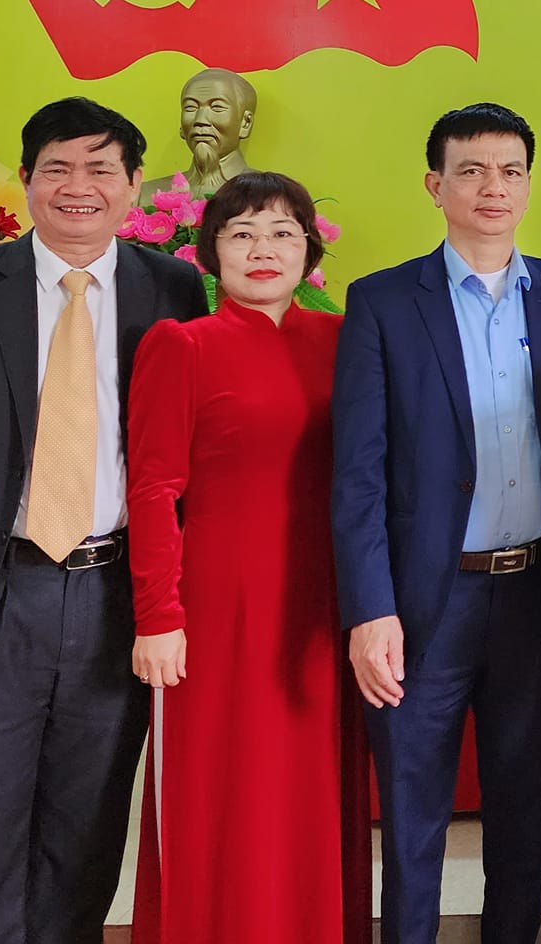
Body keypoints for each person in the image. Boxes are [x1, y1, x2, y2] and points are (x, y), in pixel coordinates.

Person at [0, 96, 209, 944]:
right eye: (57, 168)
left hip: (113, 597)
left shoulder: (172, 289)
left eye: (100, 168)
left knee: (84, 838)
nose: (77, 187)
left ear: (134, 185)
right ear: (26, 179)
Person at [331, 103, 541, 944]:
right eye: (472, 170)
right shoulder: (382, 303)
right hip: (424, 600)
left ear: (529, 185)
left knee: (523, 812)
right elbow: (358, 473)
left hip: (534, 594)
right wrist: (371, 609)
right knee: (413, 817)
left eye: (511, 171)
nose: (493, 187)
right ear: (435, 185)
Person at [125, 171, 371, 944]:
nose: (263, 250)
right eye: (242, 234)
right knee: (226, 793)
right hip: (218, 612)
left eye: (282, 233)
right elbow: (152, 490)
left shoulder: (344, 342)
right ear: (211, 252)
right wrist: (157, 616)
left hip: (325, 608)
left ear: (309, 252)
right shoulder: (182, 345)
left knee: (311, 793)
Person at [141, 67, 256, 204]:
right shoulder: (145, 195)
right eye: (191, 107)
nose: (200, 120)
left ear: (245, 123)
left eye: (217, 107)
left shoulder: (269, 194)